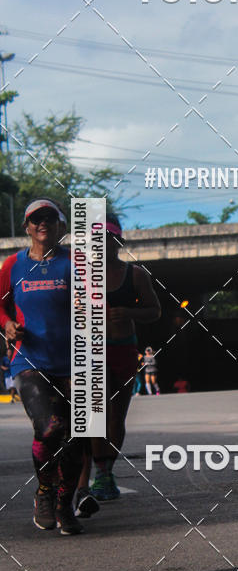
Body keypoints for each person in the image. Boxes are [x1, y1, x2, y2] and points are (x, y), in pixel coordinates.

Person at [0, 199, 85, 534]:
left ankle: (65, 504)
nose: (43, 224)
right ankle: (45, 492)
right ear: (27, 227)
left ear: (61, 225)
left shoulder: (76, 264)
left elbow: (94, 305)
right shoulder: (13, 265)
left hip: (75, 363)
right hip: (29, 360)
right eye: (36, 219)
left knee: (78, 437)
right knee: (49, 428)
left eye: (50, 218)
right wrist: (6, 325)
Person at [81, 215, 161, 504]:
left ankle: (105, 471)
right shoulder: (82, 274)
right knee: (94, 414)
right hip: (92, 351)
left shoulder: (136, 274)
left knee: (116, 414)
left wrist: (129, 312)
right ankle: (92, 471)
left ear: (118, 241)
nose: (103, 246)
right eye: (98, 241)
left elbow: (155, 311)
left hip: (124, 349)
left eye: (108, 239)